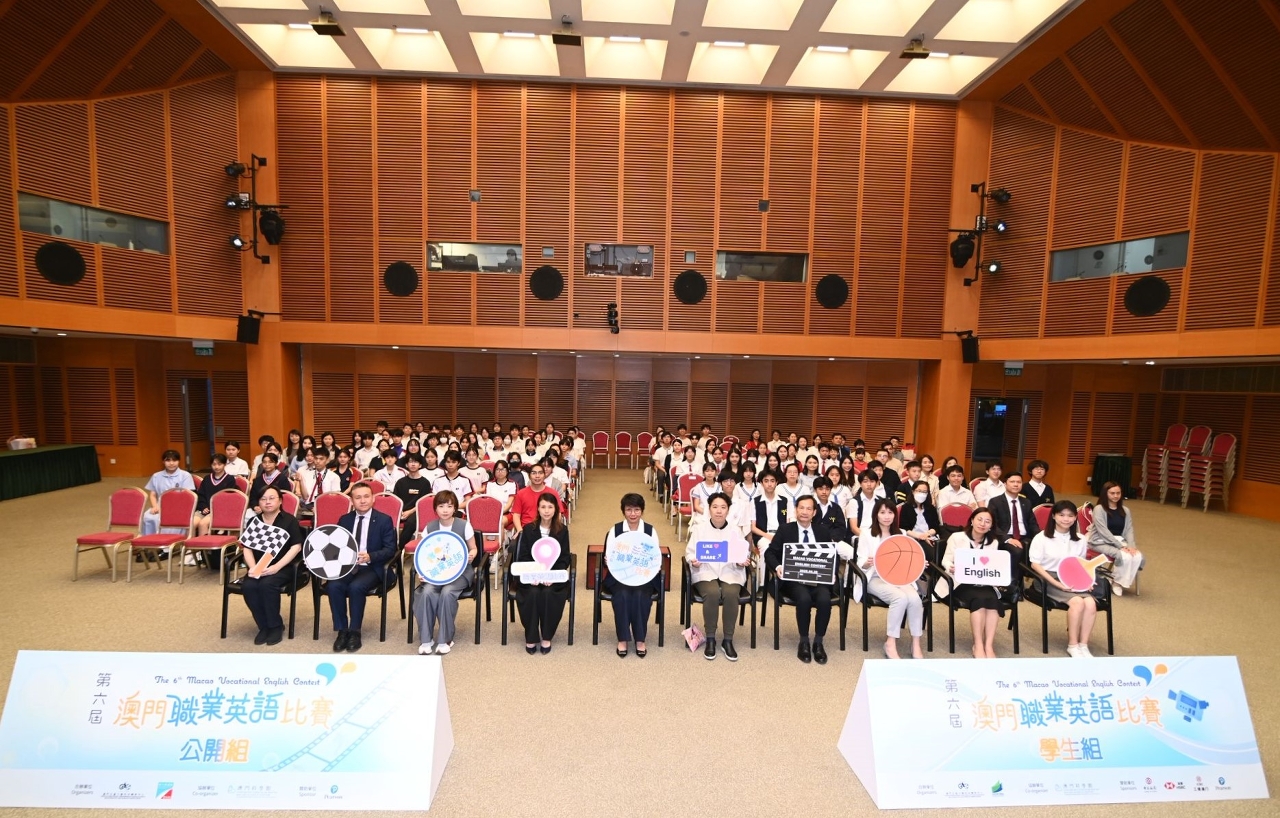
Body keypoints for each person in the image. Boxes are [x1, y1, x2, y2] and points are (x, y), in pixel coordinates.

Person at [766, 495, 852, 664]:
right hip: (794, 581)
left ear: (814, 512)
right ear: (795, 510)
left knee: (824, 599)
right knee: (804, 598)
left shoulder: (823, 531)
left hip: (819, 580)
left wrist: (832, 572)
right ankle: (804, 641)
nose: (804, 512)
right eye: (801, 508)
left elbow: (832, 555)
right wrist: (778, 567)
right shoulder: (785, 529)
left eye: (808, 509)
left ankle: (818, 642)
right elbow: (770, 553)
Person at [328, 483, 398, 653]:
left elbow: (391, 549)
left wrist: (370, 556)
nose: (363, 501)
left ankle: (354, 631)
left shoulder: (384, 520)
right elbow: (335, 546)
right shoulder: (345, 520)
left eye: (366, 496)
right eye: (358, 497)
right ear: (352, 501)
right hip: (348, 566)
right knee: (333, 585)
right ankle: (342, 630)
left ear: (373, 499)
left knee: (356, 587)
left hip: (372, 566)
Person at [855, 498, 924, 660]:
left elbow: (907, 560)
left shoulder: (901, 534)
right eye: (882, 512)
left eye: (890, 512)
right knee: (899, 598)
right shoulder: (867, 534)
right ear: (876, 515)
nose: (887, 516)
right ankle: (890, 642)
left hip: (898, 577)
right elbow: (859, 562)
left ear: (895, 515)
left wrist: (919, 563)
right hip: (874, 577)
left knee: (915, 599)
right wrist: (867, 562)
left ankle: (916, 643)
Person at [1029, 500, 1099, 657]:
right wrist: (1057, 583)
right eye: (1061, 515)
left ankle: (1083, 645)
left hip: (1072, 577)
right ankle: (1073, 645)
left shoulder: (1080, 539)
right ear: (1053, 516)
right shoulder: (1041, 537)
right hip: (1047, 578)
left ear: (1075, 518)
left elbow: (1080, 564)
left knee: (1090, 603)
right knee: (1077, 602)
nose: (1066, 519)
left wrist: (1086, 581)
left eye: (1070, 515)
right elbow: (1035, 565)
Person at [686, 492, 751, 661]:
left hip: (730, 571)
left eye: (723, 507)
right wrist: (694, 561)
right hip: (705, 571)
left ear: (728, 510)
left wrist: (741, 562)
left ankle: (728, 639)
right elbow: (690, 553)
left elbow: (742, 554)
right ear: (709, 509)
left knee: (731, 593)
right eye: (715, 507)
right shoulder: (699, 529)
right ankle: (710, 638)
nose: (719, 511)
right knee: (712, 593)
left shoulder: (735, 530)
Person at [412, 491, 478, 656]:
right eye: (441, 506)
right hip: (437, 573)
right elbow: (423, 554)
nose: (445, 510)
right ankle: (426, 639)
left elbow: (474, 548)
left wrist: (471, 554)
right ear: (435, 508)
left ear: (455, 508)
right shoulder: (430, 527)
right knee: (426, 592)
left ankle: (445, 639)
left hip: (460, 572)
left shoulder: (464, 525)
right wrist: (422, 571)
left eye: (449, 506)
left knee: (447, 593)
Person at [239, 485, 305, 646]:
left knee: (267, 585)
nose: (267, 502)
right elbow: (247, 548)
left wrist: (276, 567)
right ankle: (263, 626)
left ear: (280, 501)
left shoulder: (289, 520)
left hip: (284, 567)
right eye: (263, 499)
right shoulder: (254, 521)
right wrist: (253, 567)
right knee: (249, 586)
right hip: (258, 567)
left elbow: (296, 547)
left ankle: (275, 626)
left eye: (271, 498)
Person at [941, 507, 1006, 658]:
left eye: (987, 521)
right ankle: (978, 644)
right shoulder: (957, 537)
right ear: (972, 520)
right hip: (960, 582)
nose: (983, 524)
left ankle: (988, 645)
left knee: (993, 601)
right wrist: (951, 567)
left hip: (984, 582)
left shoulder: (993, 542)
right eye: (979, 519)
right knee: (979, 600)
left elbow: (993, 565)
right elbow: (946, 560)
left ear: (991, 525)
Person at [604, 494, 662, 658]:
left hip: (644, 576)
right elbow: (609, 556)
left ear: (642, 511)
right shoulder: (615, 530)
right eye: (629, 510)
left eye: (636, 510)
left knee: (640, 596)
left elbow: (655, 556)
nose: (633, 514)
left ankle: (640, 639)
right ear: (623, 511)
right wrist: (608, 560)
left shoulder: (650, 531)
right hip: (620, 576)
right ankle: (622, 639)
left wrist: (655, 565)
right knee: (622, 595)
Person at [513, 493, 572, 654]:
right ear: (538, 509)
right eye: (543, 507)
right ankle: (531, 637)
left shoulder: (562, 530)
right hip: (531, 576)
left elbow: (564, 558)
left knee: (548, 593)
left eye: (550, 507)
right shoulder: (528, 529)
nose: (546, 511)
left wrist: (551, 576)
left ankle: (547, 636)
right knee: (532, 593)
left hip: (552, 577)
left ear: (556, 509)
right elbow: (523, 556)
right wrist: (534, 574)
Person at [1087, 481, 1144, 595]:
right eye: (1112, 493)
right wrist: (1120, 547)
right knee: (1123, 555)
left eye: (1118, 493)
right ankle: (1117, 582)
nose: (1116, 496)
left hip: (1118, 540)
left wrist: (1131, 546)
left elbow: (1129, 529)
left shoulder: (1125, 510)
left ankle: (1116, 581)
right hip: (1099, 541)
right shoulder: (1099, 509)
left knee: (1136, 555)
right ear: (1105, 494)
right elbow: (1103, 531)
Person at [986, 471, 1038, 583]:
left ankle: (1036, 584)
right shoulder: (995, 501)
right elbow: (993, 525)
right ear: (1005, 484)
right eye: (1012, 482)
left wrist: (1041, 537)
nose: (1016, 484)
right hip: (1005, 536)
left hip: (1024, 537)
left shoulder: (1026, 502)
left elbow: (1032, 523)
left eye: (1018, 482)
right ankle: (1013, 583)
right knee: (1017, 551)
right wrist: (1008, 539)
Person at [142, 449, 195, 538]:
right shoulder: (156, 476)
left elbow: (187, 497)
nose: (171, 463)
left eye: (174, 460)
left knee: (166, 519)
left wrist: (170, 508)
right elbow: (153, 495)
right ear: (163, 462)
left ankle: (167, 544)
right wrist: (155, 506)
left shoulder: (185, 475)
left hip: (179, 507)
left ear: (179, 461)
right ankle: (149, 542)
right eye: (168, 460)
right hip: (160, 506)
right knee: (149, 517)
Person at [393, 453, 432, 546]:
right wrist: (401, 512)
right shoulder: (400, 482)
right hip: (402, 511)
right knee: (387, 520)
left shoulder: (425, 483)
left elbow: (423, 503)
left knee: (410, 522)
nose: (413, 464)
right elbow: (396, 500)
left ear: (420, 465)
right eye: (410, 462)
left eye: (416, 462)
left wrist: (409, 512)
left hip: (417, 511)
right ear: (406, 465)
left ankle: (400, 548)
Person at [510, 463, 567, 527]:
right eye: (534, 473)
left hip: (548, 528)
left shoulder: (553, 493)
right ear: (529, 476)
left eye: (540, 473)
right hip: (526, 529)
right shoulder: (521, 493)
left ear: (544, 475)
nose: (537, 476)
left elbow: (558, 513)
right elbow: (516, 515)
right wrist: (520, 530)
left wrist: (553, 529)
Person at [193, 454, 236, 537]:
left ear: (225, 464)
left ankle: (203, 545)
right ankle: (190, 545)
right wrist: (203, 507)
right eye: (214, 464)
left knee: (203, 524)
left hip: (219, 510)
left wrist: (213, 508)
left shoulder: (229, 479)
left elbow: (229, 498)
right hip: (204, 509)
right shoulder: (207, 478)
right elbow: (201, 495)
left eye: (219, 464)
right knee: (192, 523)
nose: (216, 467)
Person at [898, 479, 941, 562]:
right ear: (913, 491)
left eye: (924, 492)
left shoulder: (930, 508)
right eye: (919, 491)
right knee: (931, 554)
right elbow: (904, 528)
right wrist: (920, 537)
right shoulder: (906, 507)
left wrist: (926, 535)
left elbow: (936, 527)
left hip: (930, 537)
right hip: (914, 538)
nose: (922, 494)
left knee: (940, 553)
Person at [247, 452, 288, 519]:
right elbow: (253, 498)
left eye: (270, 462)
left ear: (276, 463)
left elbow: (285, 497)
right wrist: (255, 506)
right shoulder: (257, 480)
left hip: (276, 509)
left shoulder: (282, 479)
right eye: (264, 462)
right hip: (260, 508)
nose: (267, 464)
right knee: (247, 515)